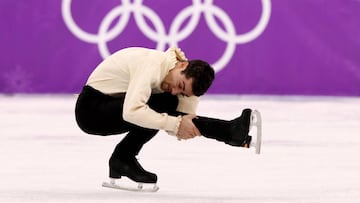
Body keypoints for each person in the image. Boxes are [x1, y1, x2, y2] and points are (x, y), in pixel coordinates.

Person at [75, 46, 253, 186]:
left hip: (114, 104)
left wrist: (181, 126)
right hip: (91, 110)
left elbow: (184, 119)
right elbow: (132, 111)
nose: (175, 90)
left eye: (183, 92)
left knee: (167, 103)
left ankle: (231, 133)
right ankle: (229, 132)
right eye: (180, 85)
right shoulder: (151, 64)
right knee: (162, 104)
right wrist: (176, 124)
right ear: (182, 65)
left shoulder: (176, 76)